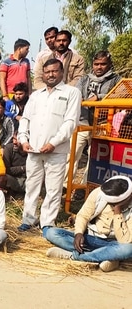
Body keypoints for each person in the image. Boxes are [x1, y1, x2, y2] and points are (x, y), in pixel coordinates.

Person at [17, 58, 82, 232]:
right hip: (34, 150)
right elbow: (25, 120)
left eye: (54, 71)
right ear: (43, 74)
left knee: (53, 189)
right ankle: (28, 219)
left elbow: (71, 122)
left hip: (56, 150)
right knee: (31, 186)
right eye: (47, 72)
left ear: (61, 72)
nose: (51, 74)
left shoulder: (71, 92)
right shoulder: (36, 95)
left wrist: (53, 143)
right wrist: (23, 140)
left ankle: (47, 223)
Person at [44, 176, 132, 272]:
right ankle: (107, 257)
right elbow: (83, 216)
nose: (110, 204)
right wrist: (79, 233)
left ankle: (76, 256)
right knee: (51, 232)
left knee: (127, 250)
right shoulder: (99, 193)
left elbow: (125, 241)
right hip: (91, 237)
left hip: (114, 244)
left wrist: (117, 212)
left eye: (113, 203)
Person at [66, 51, 122, 201]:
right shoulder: (84, 79)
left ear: (109, 64)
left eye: (103, 64)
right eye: (96, 64)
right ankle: (65, 186)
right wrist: (82, 99)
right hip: (82, 123)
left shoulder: (116, 79)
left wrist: (99, 98)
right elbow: (75, 93)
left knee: (94, 158)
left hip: (104, 125)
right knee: (70, 155)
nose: (99, 67)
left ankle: (84, 188)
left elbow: (120, 95)